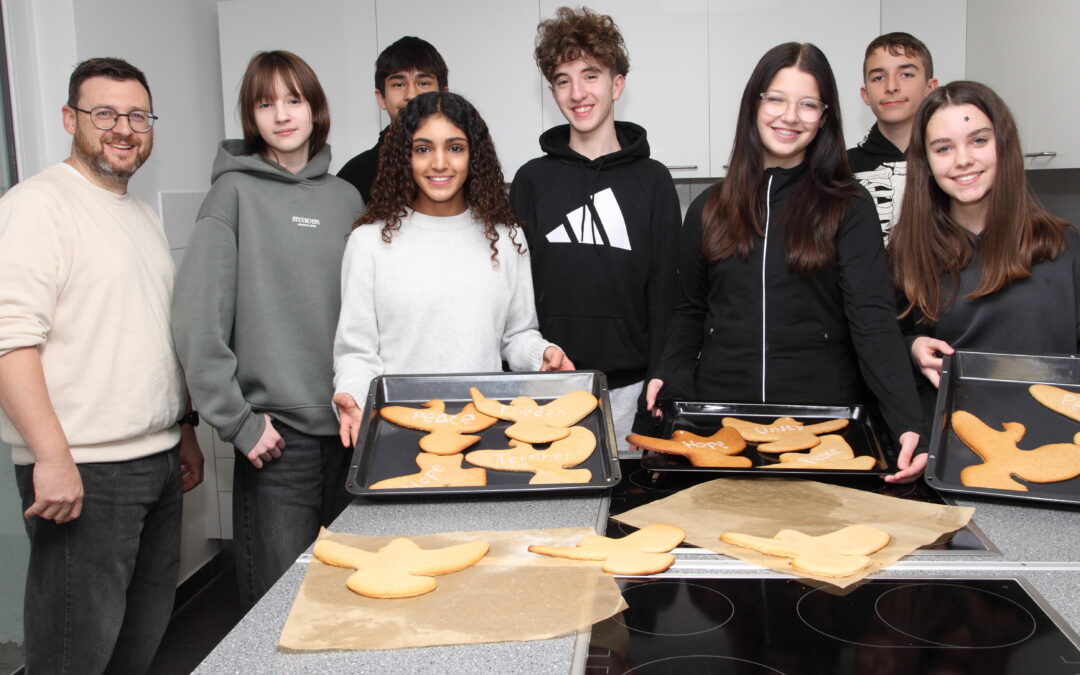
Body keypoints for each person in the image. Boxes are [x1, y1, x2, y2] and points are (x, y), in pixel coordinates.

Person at [0, 57, 204, 673]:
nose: (123, 129)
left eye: (138, 116)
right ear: (70, 118)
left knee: (138, 639)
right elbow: (9, 343)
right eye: (105, 114)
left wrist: (183, 429)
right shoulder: (37, 206)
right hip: (85, 473)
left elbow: (153, 337)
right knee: (75, 652)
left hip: (156, 459)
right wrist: (52, 459)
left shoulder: (138, 214)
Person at [646, 43, 926, 483]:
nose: (790, 116)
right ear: (754, 105)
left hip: (820, 425)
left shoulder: (849, 206)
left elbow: (873, 320)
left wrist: (907, 420)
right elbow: (689, 310)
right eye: (776, 99)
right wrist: (670, 371)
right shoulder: (709, 208)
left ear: (825, 116)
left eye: (808, 104)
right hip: (723, 423)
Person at [172, 50, 363, 609]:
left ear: (315, 108)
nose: (281, 114)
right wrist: (238, 422)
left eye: (293, 100)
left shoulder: (346, 198)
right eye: (265, 103)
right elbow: (196, 319)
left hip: (350, 434)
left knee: (349, 601)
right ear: (250, 117)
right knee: (280, 610)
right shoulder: (232, 194)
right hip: (277, 441)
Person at [333, 91, 573, 443]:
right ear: (404, 157)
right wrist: (352, 396)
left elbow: (516, 336)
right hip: (398, 430)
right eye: (423, 149)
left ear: (475, 155)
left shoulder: (506, 238)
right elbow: (357, 351)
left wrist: (542, 354)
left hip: (485, 429)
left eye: (455, 148)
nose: (440, 163)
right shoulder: (368, 242)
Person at [510, 7, 680, 454]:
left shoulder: (653, 181)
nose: (577, 92)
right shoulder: (531, 181)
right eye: (563, 80)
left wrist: (658, 388)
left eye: (591, 75)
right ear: (552, 91)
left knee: (628, 498)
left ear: (617, 85)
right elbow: (514, 297)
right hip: (547, 391)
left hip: (630, 392)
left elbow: (667, 299)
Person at [890, 81, 1079, 397]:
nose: (963, 159)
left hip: (1053, 425)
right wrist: (912, 347)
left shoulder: (1063, 247)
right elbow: (883, 340)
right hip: (953, 424)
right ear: (927, 163)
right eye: (944, 148)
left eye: (978, 140)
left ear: (1003, 144)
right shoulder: (907, 252)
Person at [848, 32, 938, 241]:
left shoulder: (952, 162)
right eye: (878, 78)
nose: (891, 87)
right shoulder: (840, 167)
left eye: (906, 74)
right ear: (865, 94)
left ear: (930, 88)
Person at [337, 36, 449, 203]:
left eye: (423, 83)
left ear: (445, 95)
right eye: (398, 84)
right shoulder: (356, 174)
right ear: (381, 98)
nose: (411, 95)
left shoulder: (466, 166)